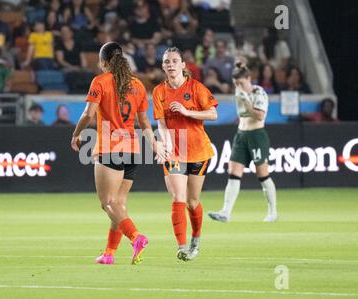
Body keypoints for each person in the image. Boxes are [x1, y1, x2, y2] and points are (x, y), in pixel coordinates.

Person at [71, 42, 164, 265]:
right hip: (133, 149)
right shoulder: (138, 85)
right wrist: (153, 143)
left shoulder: (100, 81)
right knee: (119, 203)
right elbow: (144, 122)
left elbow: (87, 114)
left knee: (107, 203)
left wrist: (76, 134)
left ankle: (136, 237)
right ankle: (109, 254)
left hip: (109, 147)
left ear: (104, 62)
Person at [152, 47, 218, 261]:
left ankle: (195, 240)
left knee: (192, 201)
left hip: (198, 151)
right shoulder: (159, 92)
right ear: (163, 66)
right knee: (178, 198)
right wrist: (166, 144)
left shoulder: (196, 88)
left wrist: (187, 111)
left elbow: (213, 113)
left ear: (182, 65)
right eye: (166, 61)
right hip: (175, 151)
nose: (170, 64)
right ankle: (181, 247)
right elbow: (161, 123)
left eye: (174, 61)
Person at [208, 62, 278, 223]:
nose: (238, 86)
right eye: (236, 84)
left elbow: (260, 116)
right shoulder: (239, 93)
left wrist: (247, 102)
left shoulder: (258, 93)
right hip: (241, 134)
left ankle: (272, 212)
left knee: (262, 174)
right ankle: (225, 212)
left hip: (256, 135)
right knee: (233, 171)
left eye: (241, 83)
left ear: (249, 78)